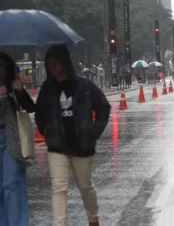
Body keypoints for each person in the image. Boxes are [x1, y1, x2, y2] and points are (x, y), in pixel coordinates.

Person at [35, 45, 111, 226]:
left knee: (85, 186)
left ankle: (93, 219)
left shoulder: (84, 85)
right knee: (58, 188)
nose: (52, 67)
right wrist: (46, 130)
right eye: (49, 64)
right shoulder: (47, 89)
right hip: (57, 146)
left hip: (82, 145)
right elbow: (39, 113)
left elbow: (103, 107)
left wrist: (93, 133)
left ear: (65, 63)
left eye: (56, 63)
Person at [0, 53, 35, 226]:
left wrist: (19, 90)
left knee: (11, 183)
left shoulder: (13, 85)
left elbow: (30, 107)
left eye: (2, 67)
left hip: (11, 139)